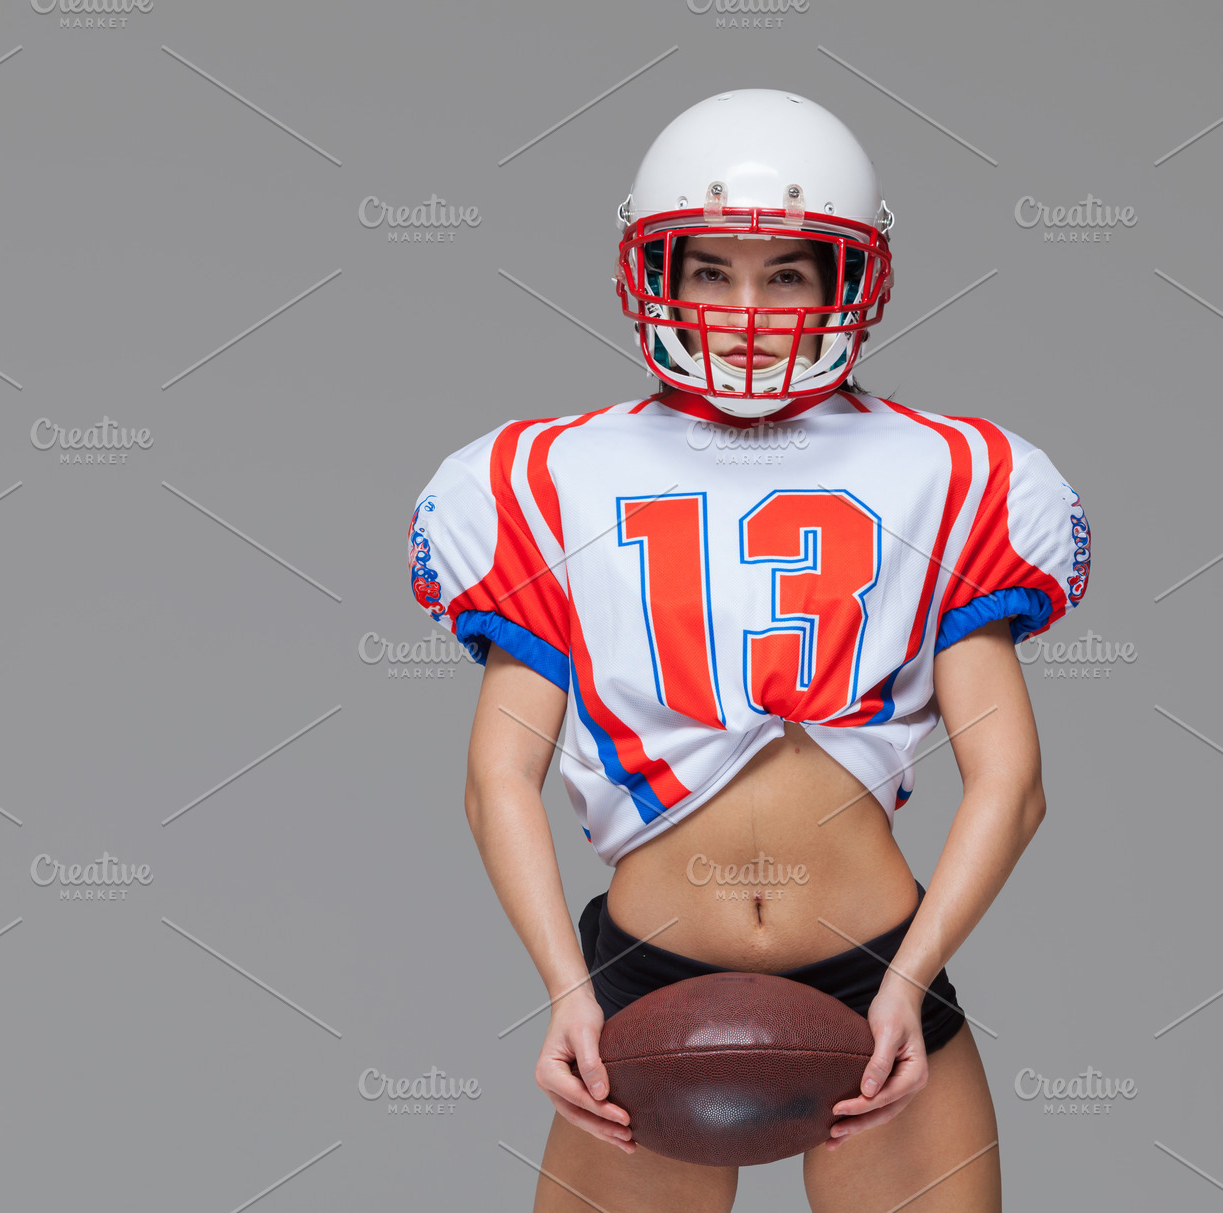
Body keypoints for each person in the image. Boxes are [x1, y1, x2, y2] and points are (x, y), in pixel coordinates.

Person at [408, 88, 1092, 1212]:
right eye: (711, 270)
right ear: (657, 275)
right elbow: (497, 778)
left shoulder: (951, 470)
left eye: (785, 273)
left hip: (874, 967)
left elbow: (1010, 783)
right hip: (645, 973)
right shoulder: (541, 475)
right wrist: (567, 991)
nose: (746, 308)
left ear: (844, 284)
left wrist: (908, 980)